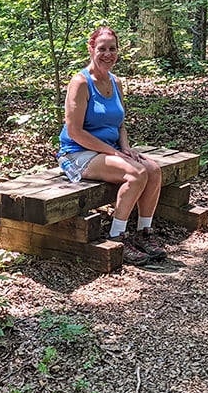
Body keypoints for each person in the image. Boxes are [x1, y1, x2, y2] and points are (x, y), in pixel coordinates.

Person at [57, 27, 166, 266]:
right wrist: (115, 153)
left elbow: (120, 124)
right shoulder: (80, 82)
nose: (108, 54)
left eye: (112, 49)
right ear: (91, 50)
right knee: (136, 174)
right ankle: (118, 236)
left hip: (108, 150)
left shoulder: (115, 82)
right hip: (78, 153)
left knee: (153, 170)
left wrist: (125, 148)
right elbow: (75, 132)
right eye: (102, 49)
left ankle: (145, 232)